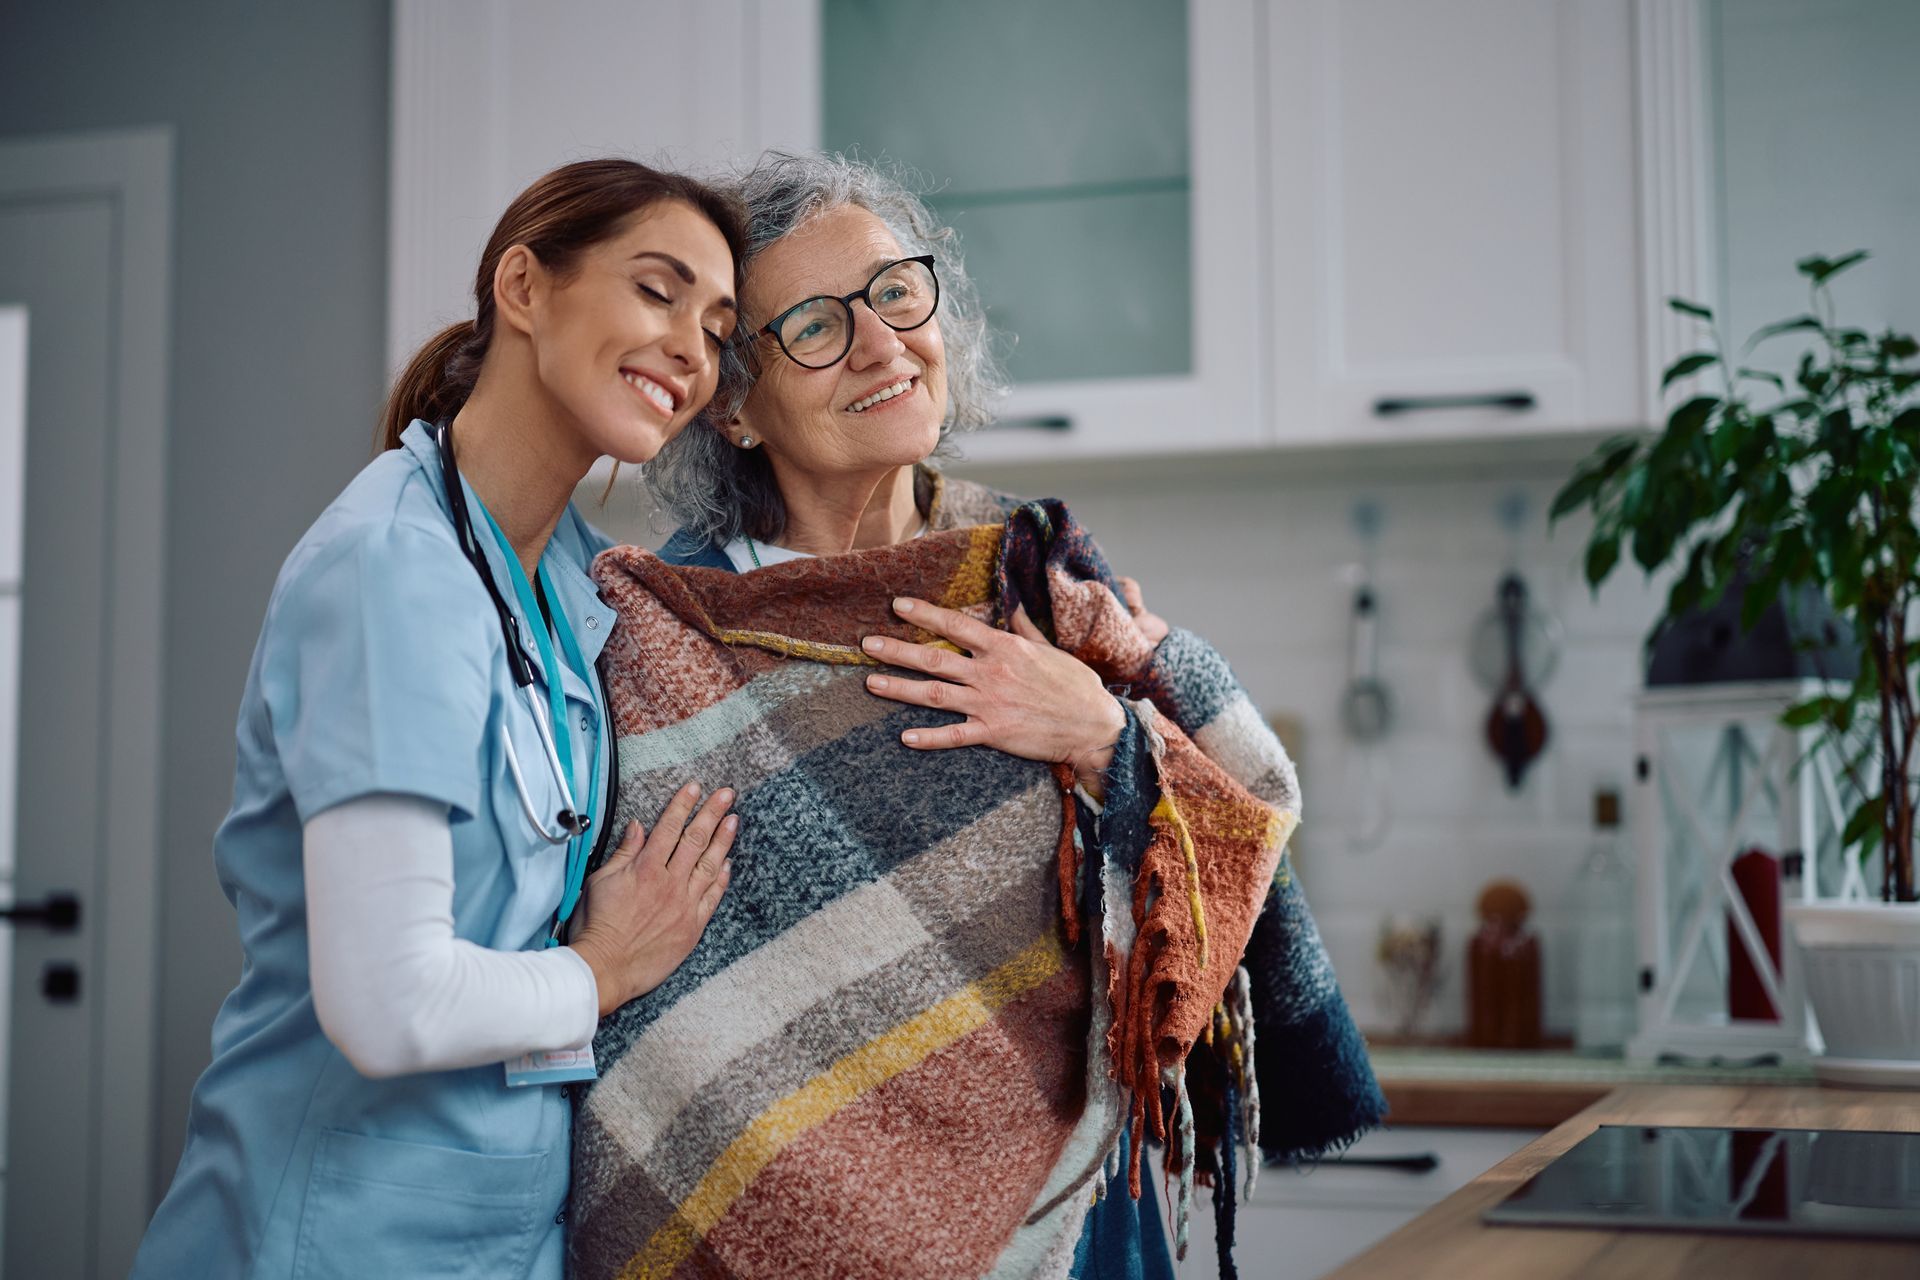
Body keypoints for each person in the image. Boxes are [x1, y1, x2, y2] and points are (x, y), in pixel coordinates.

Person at [570, 152, 1382, 1279]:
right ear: (737, 405)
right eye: (814, 323)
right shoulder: (666, 638)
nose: (883, 343)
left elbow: (1239, 831)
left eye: (897, 292)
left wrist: (1104, 733)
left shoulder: (1046, 584)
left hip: (1074, 1224)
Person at [132, 159, 753, 1280]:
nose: (691, 353)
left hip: (500, 1230)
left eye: (716, 329)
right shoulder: (392, 568)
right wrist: (605, 965)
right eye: (658, 291)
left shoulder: (566, 582)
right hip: (329, 1234)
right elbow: (389, 1002)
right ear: (524, 286)